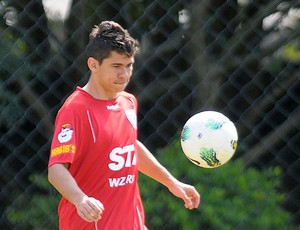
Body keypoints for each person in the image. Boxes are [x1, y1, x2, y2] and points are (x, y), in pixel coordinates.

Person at [48, 21, 200, 230]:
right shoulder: (75, 109)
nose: (124, 75)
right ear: (93, 64)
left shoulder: (127, 101)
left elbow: (128, 146)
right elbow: (56, 169)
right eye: (116, 66)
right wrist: (80, 199)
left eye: (128, 66)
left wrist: (171, 182)